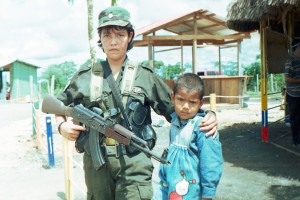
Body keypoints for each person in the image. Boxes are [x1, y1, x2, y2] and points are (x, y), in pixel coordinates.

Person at [55, 5, 218, 200]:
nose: (113, 41)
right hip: (96, 165)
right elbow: (57, 105)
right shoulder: (85, 75)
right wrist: (61, 125)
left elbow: (177, 110)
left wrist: (207, 116)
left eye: (120, 35)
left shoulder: (144, 75)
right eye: (107, 35)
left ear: (130, 36)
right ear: (100, 38)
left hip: (134, 161)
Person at [153, 73, 223, 200]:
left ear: (201, 103)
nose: (186, 106)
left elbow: (211, 163)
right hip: (169, 187)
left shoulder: (203, 127)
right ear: (172, 97)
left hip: (191, 194)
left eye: (192, 102)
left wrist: (208, 194)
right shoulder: (174, 121)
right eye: (181, 99)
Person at [285, 38, 300, 147]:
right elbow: (287, 79)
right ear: (298, 47)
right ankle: (295, 140)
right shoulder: (290, 61)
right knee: (294, 119)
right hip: (293, 95)